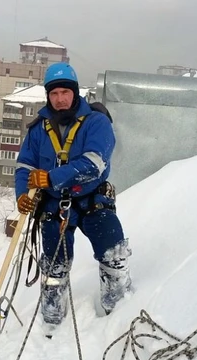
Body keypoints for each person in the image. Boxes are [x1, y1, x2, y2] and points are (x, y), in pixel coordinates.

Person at [15, 62, 132, 329]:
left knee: (113, 256)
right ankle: (53, 318)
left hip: (93, 200)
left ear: (75, 92)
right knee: (54, 268)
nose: (59, 99)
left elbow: (94, 163)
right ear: (48, 96)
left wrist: (52, 177)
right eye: (54, 94)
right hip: (55, 205)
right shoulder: (38, 130)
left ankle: (120, 313)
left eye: (65, 93)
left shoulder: (97, 122)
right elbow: (25, 166)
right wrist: (23, 194)